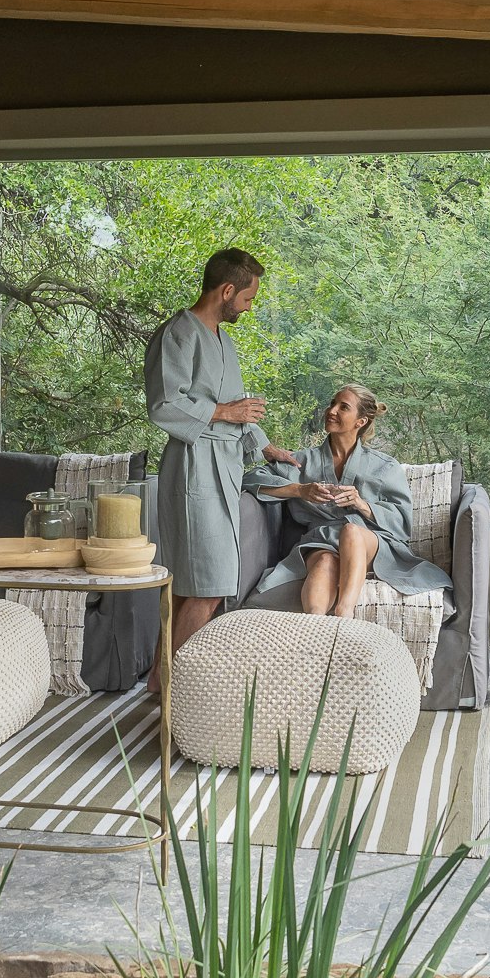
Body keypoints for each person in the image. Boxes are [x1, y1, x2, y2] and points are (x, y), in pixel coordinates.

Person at [144, 247, 298, 667]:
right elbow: (163, 405)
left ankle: (161, 682)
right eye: (247, 298)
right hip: (193, 467)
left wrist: (264, 447)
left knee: (194, 584)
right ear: (227, 291)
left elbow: (237, 407)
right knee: (208, 584)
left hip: (225, 468)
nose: (248, 307)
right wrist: (224, 413)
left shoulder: (224, 341)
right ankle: (172, 682)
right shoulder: (178, 334)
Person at [243, 382, 451, 618]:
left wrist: (362, 505)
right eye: (332, 404)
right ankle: (315, 623)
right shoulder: (303, 461)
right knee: (324, 562)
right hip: (323, 541)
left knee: (351, 531)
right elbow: (251, 479)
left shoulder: (384, 466)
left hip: (369, 542)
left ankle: (345, 612)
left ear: (360, 421)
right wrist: (300, 490)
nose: (331, 411)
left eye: (343, 407)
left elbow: (402, 522)